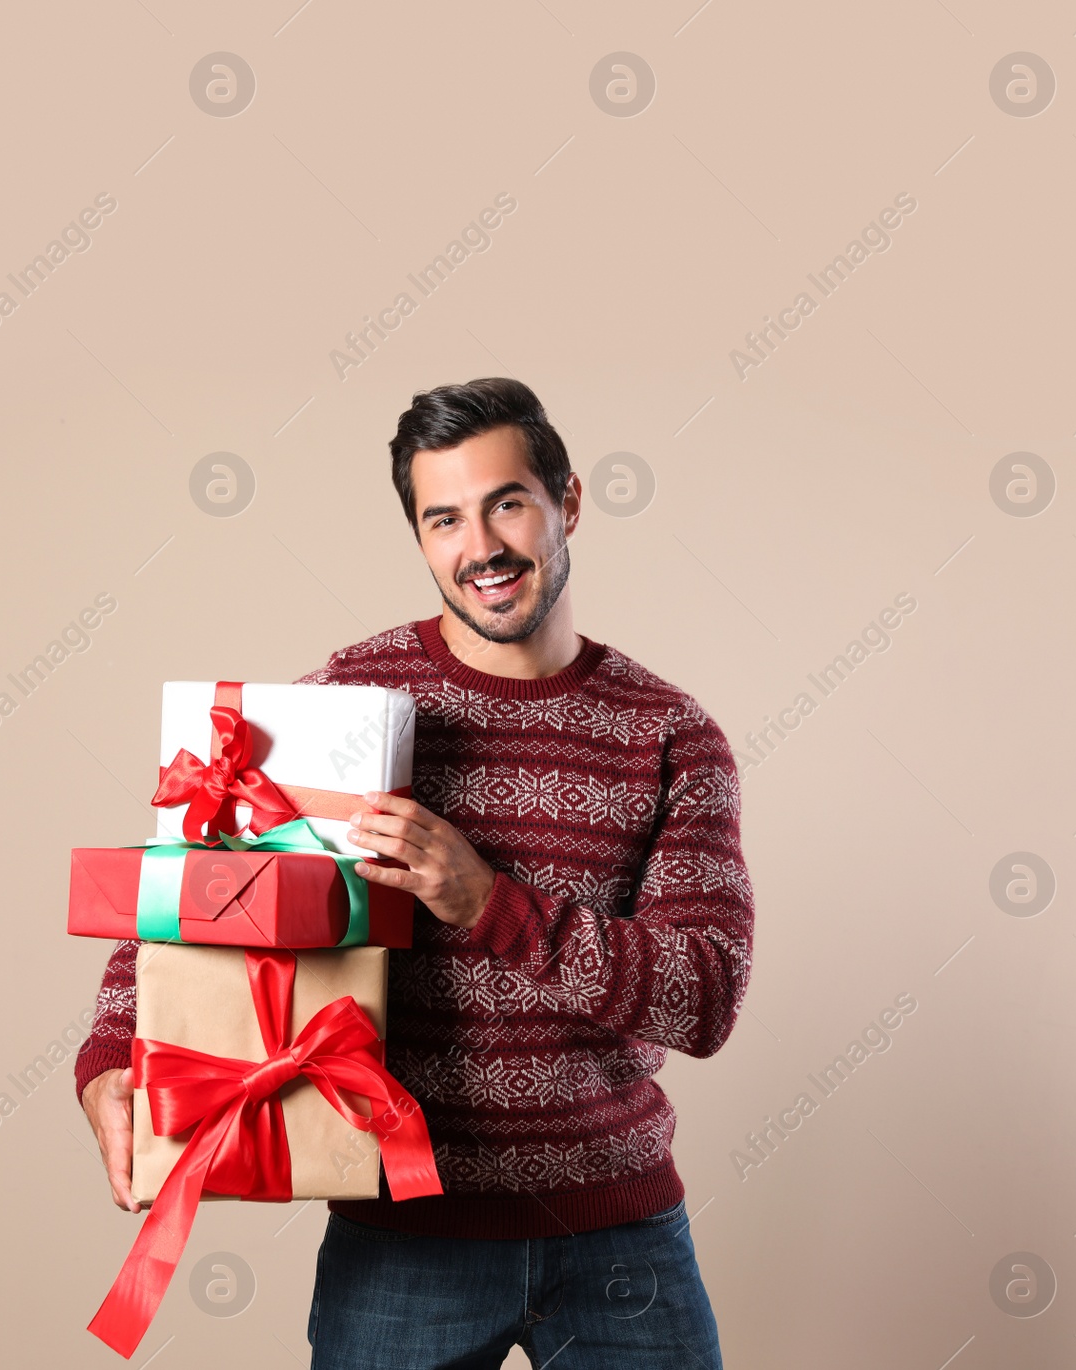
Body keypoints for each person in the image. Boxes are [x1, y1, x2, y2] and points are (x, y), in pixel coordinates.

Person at [76, 377, 754, 1368]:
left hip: (619, 1238)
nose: (479, 546)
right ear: (421, 535)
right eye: (443, 517)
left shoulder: (669, 734)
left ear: (566, 502)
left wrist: (489, 902)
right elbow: (195, 889)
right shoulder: (352, 701)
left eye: (506, 503)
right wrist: (109, 1060)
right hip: (406, 1238)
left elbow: (702, 998)